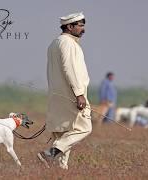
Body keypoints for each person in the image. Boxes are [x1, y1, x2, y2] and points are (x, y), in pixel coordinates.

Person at [37, 12, 92, 170]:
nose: (83, 29)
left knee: (64, 133)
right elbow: (70, 70)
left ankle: (60, 170)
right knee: (84, 128)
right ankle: (49, 153)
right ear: (69, 26)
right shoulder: (67, 43)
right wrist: (79, 93)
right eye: (80, 26)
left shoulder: (54, 43)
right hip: (71, 95)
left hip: (58, 95)